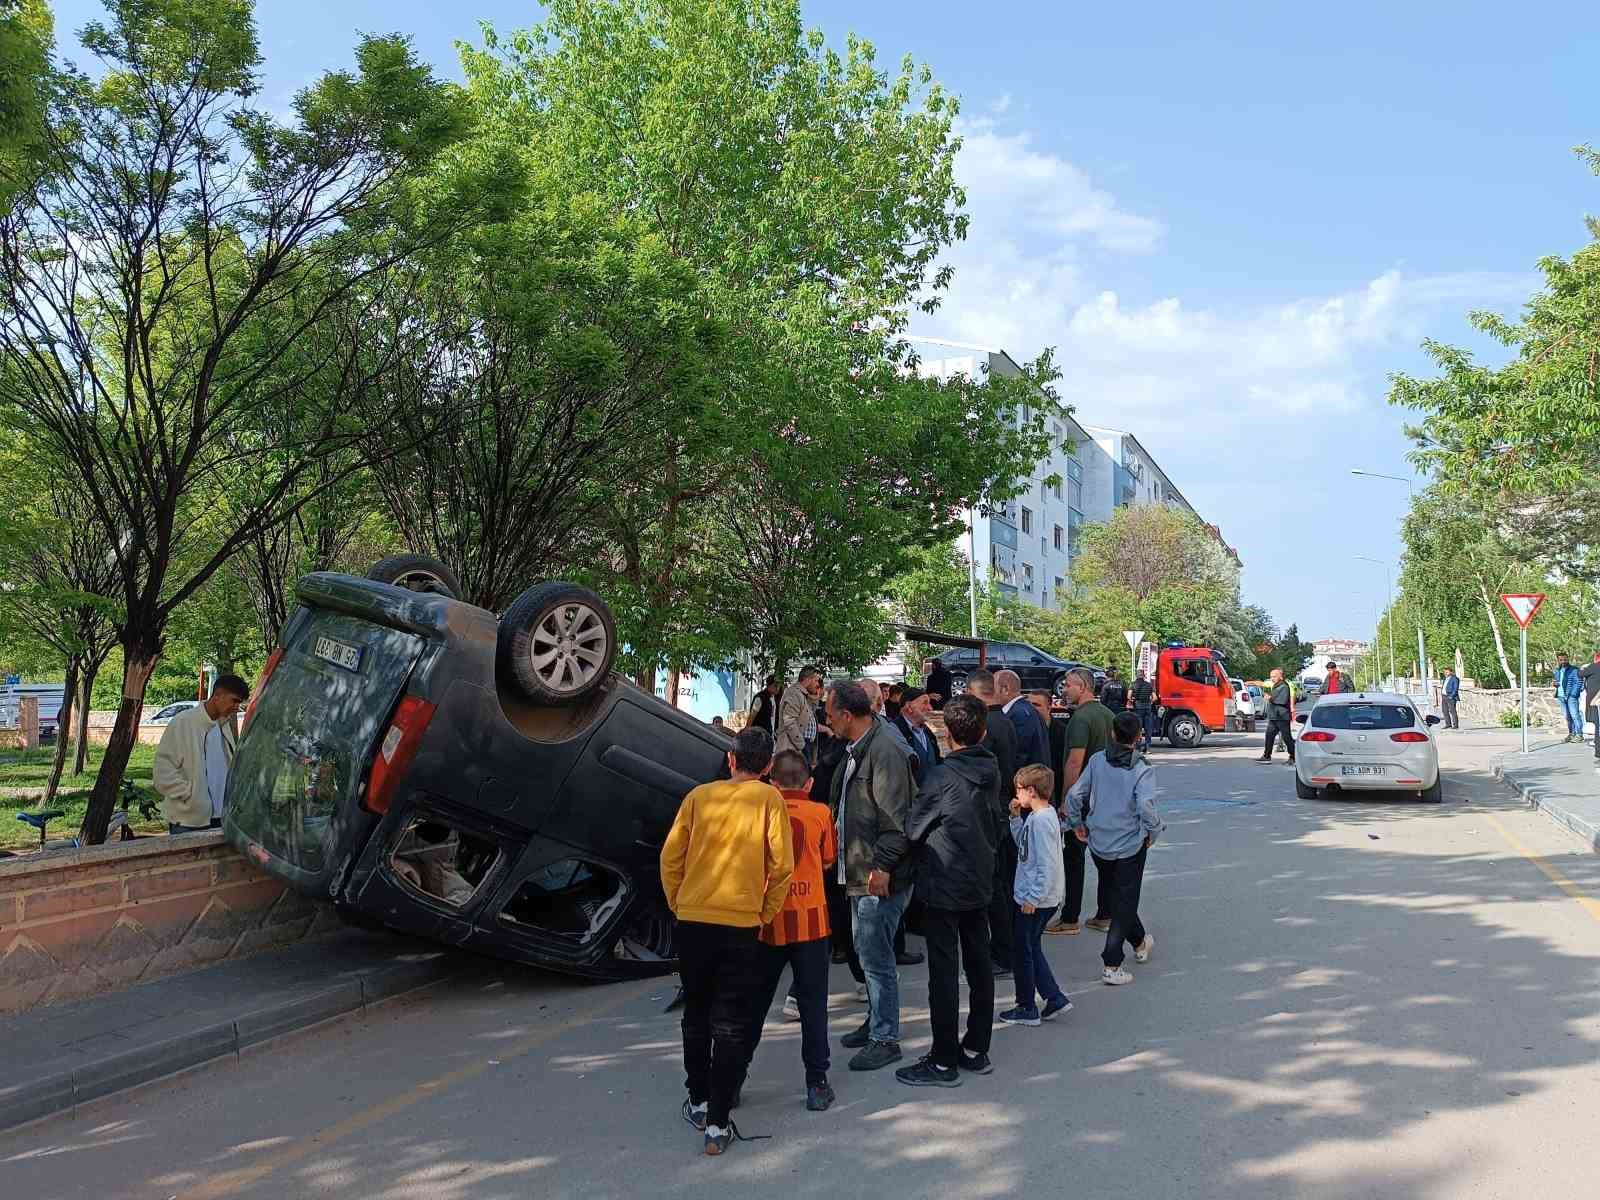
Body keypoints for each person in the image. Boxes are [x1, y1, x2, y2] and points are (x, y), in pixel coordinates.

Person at [660, 727, 794, 1155]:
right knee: (732, 1020)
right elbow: (783, 867)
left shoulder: (699, 797)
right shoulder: (770, 799)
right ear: (768, 766)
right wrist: (764, 912)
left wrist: (680, 903)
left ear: (731, 759)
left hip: (694, 919)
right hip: (741, 924)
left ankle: (697, 1098)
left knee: (696, 1012)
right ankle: (718, 1122)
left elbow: (670, 859)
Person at [898, 694, 1000, 1086]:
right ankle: (976, 1047)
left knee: (944, 971)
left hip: (944, 880)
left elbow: (913, 827)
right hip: (979, 876)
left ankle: (943, 1060)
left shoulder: (942, 776)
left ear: (947, 733)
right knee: (978, 963)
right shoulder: (990, 767)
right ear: (983, 732)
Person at [828, 681, 916, 1073]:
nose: (826, 720)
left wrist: (882, 867)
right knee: (867, 953)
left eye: (830, 713)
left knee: (877, 958)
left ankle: (885, 1037)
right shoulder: (864, 745)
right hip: (860, 870)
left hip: (876, 873)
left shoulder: (885, 750)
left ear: (847, 714)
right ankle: (877, 1022)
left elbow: (897, 821)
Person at [747, 750, 838, 1113]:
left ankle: (733, 1078)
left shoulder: (758, 811)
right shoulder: (821, 813)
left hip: (766, 921)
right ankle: (817, 1083)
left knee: (753, 1005)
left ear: (772, 781)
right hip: (812, 921)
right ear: (810, 782)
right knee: (814, 1005)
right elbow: (829, 859)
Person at [1066, 711, 1164, 986]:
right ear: (1138, 737)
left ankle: (1140, 939)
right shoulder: (1141, 769)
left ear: (1112, 734)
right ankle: (1111, 961)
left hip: (1099, 840)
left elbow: (1075, 794)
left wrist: (1076, 823)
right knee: (1125, 899)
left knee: (1115, 892)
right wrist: (1154, 830)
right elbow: (1145, 805)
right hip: (1129, 842)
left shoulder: (1098, 760)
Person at [1001, 763, 1071, 1026]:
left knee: (1024, 951)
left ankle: (1027, 1006)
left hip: (1036, 899)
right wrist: (1015, 819)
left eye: (1018, 790)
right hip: (1040, 896)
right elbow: (1025, 846)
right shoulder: (1041, 816)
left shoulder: (1041, 822)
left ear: (1030, 791)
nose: (1016, 795)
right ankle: (1053, 998)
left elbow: (1046, 864)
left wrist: (1033, 897)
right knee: (1030, 947)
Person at [1053, 667, 1114, 936]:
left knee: (1074, 856)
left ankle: (1069, 918)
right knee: (1103, 857)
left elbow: (1075, 761)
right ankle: (1105, 914)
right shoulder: (1108, 715)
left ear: (1083, 687)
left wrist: (1067, 798)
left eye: (1068, 685)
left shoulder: (1080, 719)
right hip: (1105, 797)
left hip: (1083, 798)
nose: (1064, 690)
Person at [967, 669, 1018, 974]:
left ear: (976, 693)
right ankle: (1003, 947)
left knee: (995, 887)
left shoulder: (988, 726)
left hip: (991, 811)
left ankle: (1001, 952)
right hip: (1002, 806)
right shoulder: (1006, 721)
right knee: (1000, 884)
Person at [154, 675, 250, 834]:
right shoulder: (183, 722)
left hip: (222, 817)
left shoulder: (223, 725)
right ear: (217, 695)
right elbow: (162, 771)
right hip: (188, 820)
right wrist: (189, 796)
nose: (236, 707)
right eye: (234, 701)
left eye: (239, 703)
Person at [996, 669, 1050, 769]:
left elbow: (1019, 755)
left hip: (1028, 779)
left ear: (1005, 689)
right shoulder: (1025, 710)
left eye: (993, 688)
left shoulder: (1020, 714)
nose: (992, 694)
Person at [1027, 690, 1068, 806]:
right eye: (1029, 705)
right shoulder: (1025, 729)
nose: (1032, 709)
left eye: (1036, 705)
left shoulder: (1062, 732)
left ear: (1049, 707)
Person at [892, 686, 942, 778]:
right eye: (925, 703)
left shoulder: (928, 732)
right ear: (909, 707)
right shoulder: (893, 732)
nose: (930, 708)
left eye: (929, 703)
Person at [776, 667, 824, 762]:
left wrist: (815, 697)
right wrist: (802, 745)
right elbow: (789, 722)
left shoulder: (803, 695)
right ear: (808, 679)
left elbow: (811, 711)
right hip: (794, 747)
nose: (818, 685)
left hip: (801, 745)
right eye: (816, 681)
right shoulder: (794, 694)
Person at [1256, 668, 1296, 765]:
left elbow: (1282, 700)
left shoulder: (1284, 686)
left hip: (1282, 716)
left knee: (1287, 738)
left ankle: (1293, 757)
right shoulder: (1276, 685)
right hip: (1274, 716)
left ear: (1280, 676)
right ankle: (1266, 756)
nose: (1272, 678)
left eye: (1274, 676)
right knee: (1269, 736)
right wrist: (1269, 697)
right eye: (1271, 677)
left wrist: (1270, 698)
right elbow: (1273, 696)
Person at [1555, 652, 1584, 743]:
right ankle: (1571, 734)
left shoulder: (1574, 670)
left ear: (1568, 659)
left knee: (1575, 715)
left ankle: (1579, 735)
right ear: (1558, 660)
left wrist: (1572, 695)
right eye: (1561, 660)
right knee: (1567, 717)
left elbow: (1579, 682)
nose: (1563, 661)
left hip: (1571, 697)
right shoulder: (1557, 671)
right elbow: (1559, 682)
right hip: (1561, 697)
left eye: (1565, 659)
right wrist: (1555, 684)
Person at [1131, 668, 1157, 751]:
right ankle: (1148, 747)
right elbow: (1155, 697)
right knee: (1148, 728)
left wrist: (1133, 700)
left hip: (1138, 708)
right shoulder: (1149, 685)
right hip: (1147, 708)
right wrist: (1150, 702)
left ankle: (1138, 747)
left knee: (1138, 728)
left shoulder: (1133, 684)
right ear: (1144, 676)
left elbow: (1128, 696)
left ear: (1137, 675)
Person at [1582, 654, 1600, 768]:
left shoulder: (1593, 666)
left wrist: (1595, 698)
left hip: (1596, 699)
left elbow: (1580, 674)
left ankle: (1598, 751)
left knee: (1598, 726)